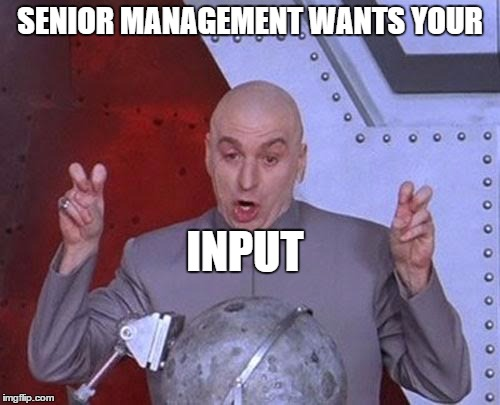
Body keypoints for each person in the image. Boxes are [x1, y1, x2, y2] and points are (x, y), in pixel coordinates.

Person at [28, 80, 471, 404]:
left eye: (271, 158)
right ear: (207, 154)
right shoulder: (153, 260)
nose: (247, 180)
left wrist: (416, 278)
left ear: (301, 161)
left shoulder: (365, 252)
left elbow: (446, 383)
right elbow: (56, 363)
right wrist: (78, 252)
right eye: (231, 154)